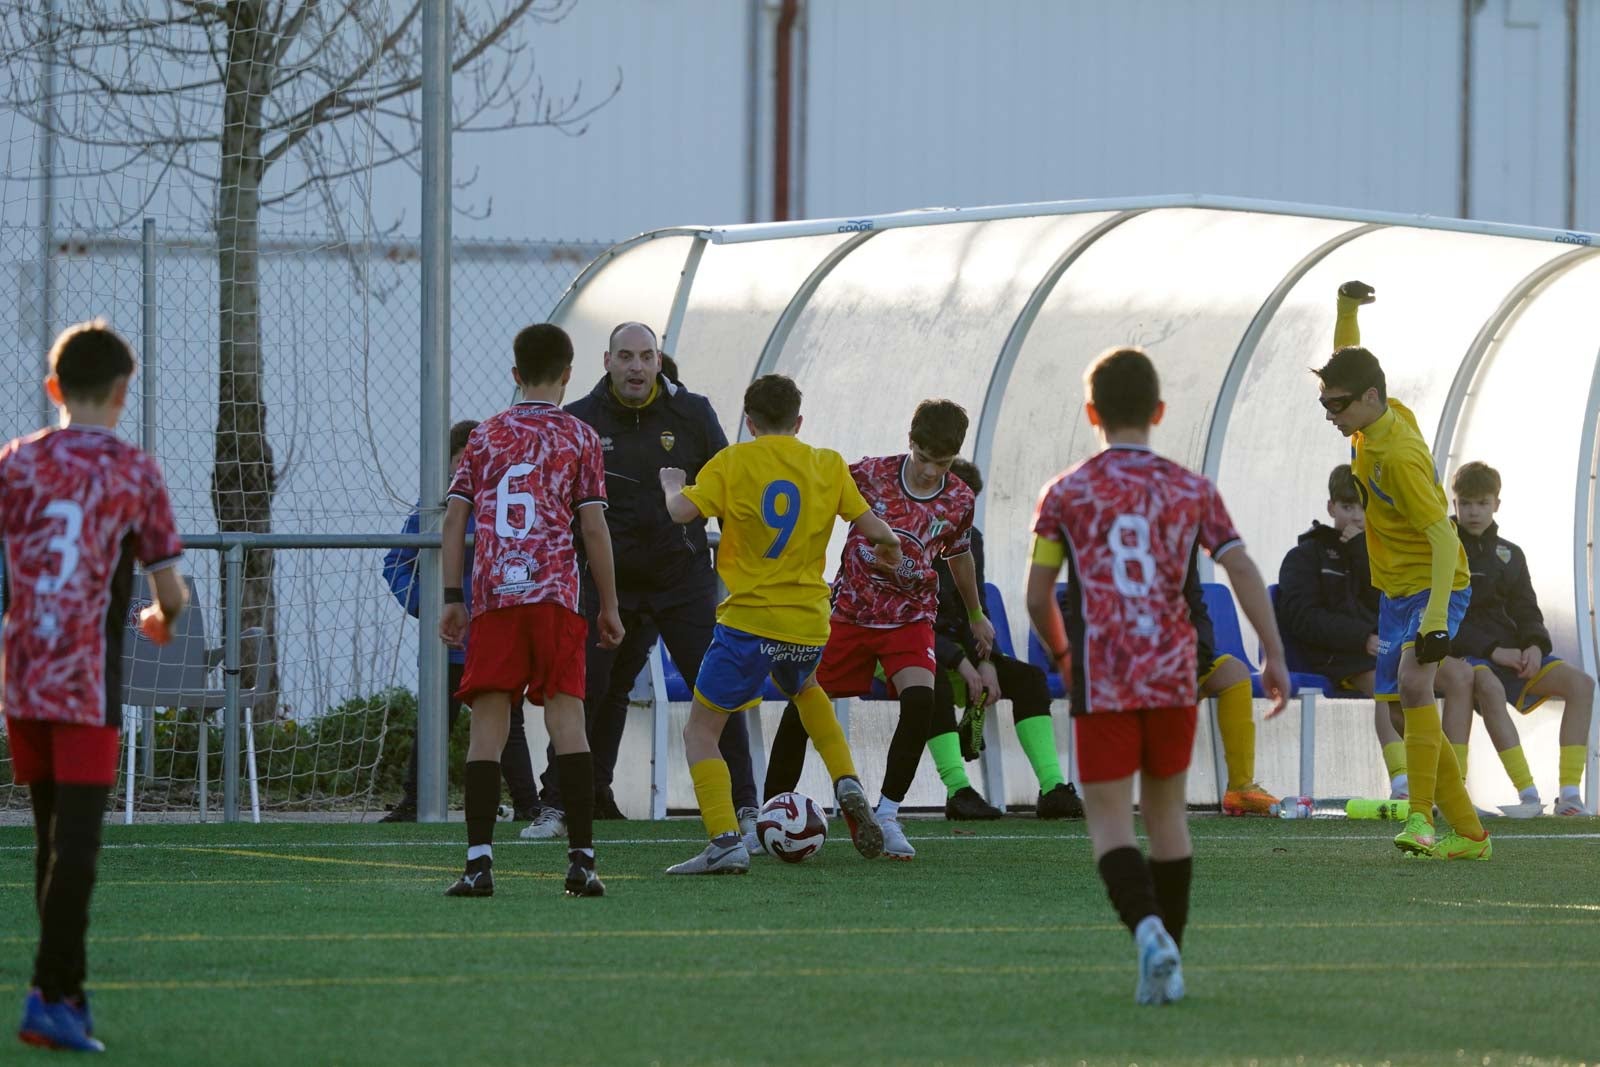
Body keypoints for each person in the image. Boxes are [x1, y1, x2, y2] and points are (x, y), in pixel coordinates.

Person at [1027, 346, 1290, 1006]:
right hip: (1175, 671)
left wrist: (1064, 656)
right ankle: (1166, 958)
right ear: (1160, 411)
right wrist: (1274, 651)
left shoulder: (1065, 492)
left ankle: (1148, 932)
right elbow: (1240, 565)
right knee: (1168, 815)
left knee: (1111, 825)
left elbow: (1037, 596)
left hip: (1104, 674)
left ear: (1092, 412)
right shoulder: (1193, 489)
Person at [4, 320, 188, 1052]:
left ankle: (66, 994)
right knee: (77, 844)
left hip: (22, 674)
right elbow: (169, 588)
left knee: (50, 839)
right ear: (122, 392)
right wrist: (159, 616)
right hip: (83, 678)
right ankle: (48, 994)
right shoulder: (133, 471)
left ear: (52, 389)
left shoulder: (14, 463)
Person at [658, 373, 901, 874]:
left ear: (748, 421)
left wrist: (671, 485)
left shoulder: (733, 461)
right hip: (808, 623)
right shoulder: (827, 463)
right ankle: (846, 780)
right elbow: (874, 528)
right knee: (808, 690)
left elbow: (683, 512)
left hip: (749, 622)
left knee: (701, 731)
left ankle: (725, 840)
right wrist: (892, 550)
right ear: (799, 421)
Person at [524, 322, 760, 838]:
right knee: (584, 689)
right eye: (626, 356)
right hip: (608, 584)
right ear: (606, 361)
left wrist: (747, 574)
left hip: (683, 580)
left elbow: (728, 491)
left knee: (717, 688)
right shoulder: (579, 420)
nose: (636, 367)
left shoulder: (693, 413)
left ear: (658, 361)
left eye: (646, 357)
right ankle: (560, 806)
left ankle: (745, 806)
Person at [760, 401, 994, 859]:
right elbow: (815, 505)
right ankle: (768, 815)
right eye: (923, 458)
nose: (929, 472)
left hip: (909, 618)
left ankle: (886, 816)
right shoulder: (868, 474)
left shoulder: (960, 499)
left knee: (921, 700)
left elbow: (959, 554)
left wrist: (976, 613)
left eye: (941, 464)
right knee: (803, 709)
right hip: (848, 614)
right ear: (910, 441)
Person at [439, 323, 623, 899]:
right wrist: (610, 606)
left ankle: (477, 863)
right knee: (567, 719)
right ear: (570, 373)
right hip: (555, 595)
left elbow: (453, 521)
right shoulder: (581, 437)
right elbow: (593, 526)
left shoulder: (485, 436)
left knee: (488, 726)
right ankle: (582, 862)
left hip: (496, 595)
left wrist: (452, 598)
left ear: (515, 374)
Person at [1315, 282, 1490, 860]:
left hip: (1436, 585)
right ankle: (1470, 836)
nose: (1330, 414)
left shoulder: (1399, 459)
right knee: (1397, 705)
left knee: (1415, 685)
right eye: (1326, 404)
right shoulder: (1369, 422)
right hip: (1397, 590)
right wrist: (1346, 313)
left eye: (1337, 405)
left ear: (1368, 399)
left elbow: (1445, 535)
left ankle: (1419, 819)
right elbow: (1347, 371)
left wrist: (1437, 619)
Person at [897, 458, 1081, 821]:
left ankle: (1053, 789)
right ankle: (958, 791)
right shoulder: (906, 537)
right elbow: (906, 619)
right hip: (902, 648)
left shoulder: (970, 540)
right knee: (931, 680)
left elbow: (974, 608)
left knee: (1030, 679)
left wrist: (987, 659)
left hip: (952, 652)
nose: (966, 510)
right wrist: (960, 661)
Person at [379, 418, 540, 823]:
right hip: (447, 645)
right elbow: (396, 563)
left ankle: (527, 804)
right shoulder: (434, 509)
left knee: (508, 722)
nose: (470, 465)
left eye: (478, 457)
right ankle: (415, 801)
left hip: (493, 639)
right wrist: (427, 606)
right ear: (448, 463)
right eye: (461, 458)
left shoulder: (508, 505)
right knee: (434, 719)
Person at [1448, 460, 1594, 816]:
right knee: (1490, 688)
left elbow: (1527, 608)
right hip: (1466, 655)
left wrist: (1533, 645)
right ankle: (1527, 794)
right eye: (1465, 503)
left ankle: (1570, 796)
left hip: (1511, 653)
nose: (1473, 512)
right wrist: (1492, 650)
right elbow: (1445, 616)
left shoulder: (1510, 554)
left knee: (1583, 684)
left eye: (1482, 503)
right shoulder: (1443, 547)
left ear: (1497, 503)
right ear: (1454, 504)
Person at [1277, 463, 1411, 799]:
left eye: (1365, 508)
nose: (1357, 517)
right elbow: (1302, 618)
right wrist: (1362, 637)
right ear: (1331, 507)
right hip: (1330, 656)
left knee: (1451, 678)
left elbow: (1388, 602)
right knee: (1388, 685)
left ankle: (1447, 780)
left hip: (1378, 650)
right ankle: (1404, 784)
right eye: (1349, 507)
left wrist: (1360, 552)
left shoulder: (1377, 555)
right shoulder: (1304, 556)